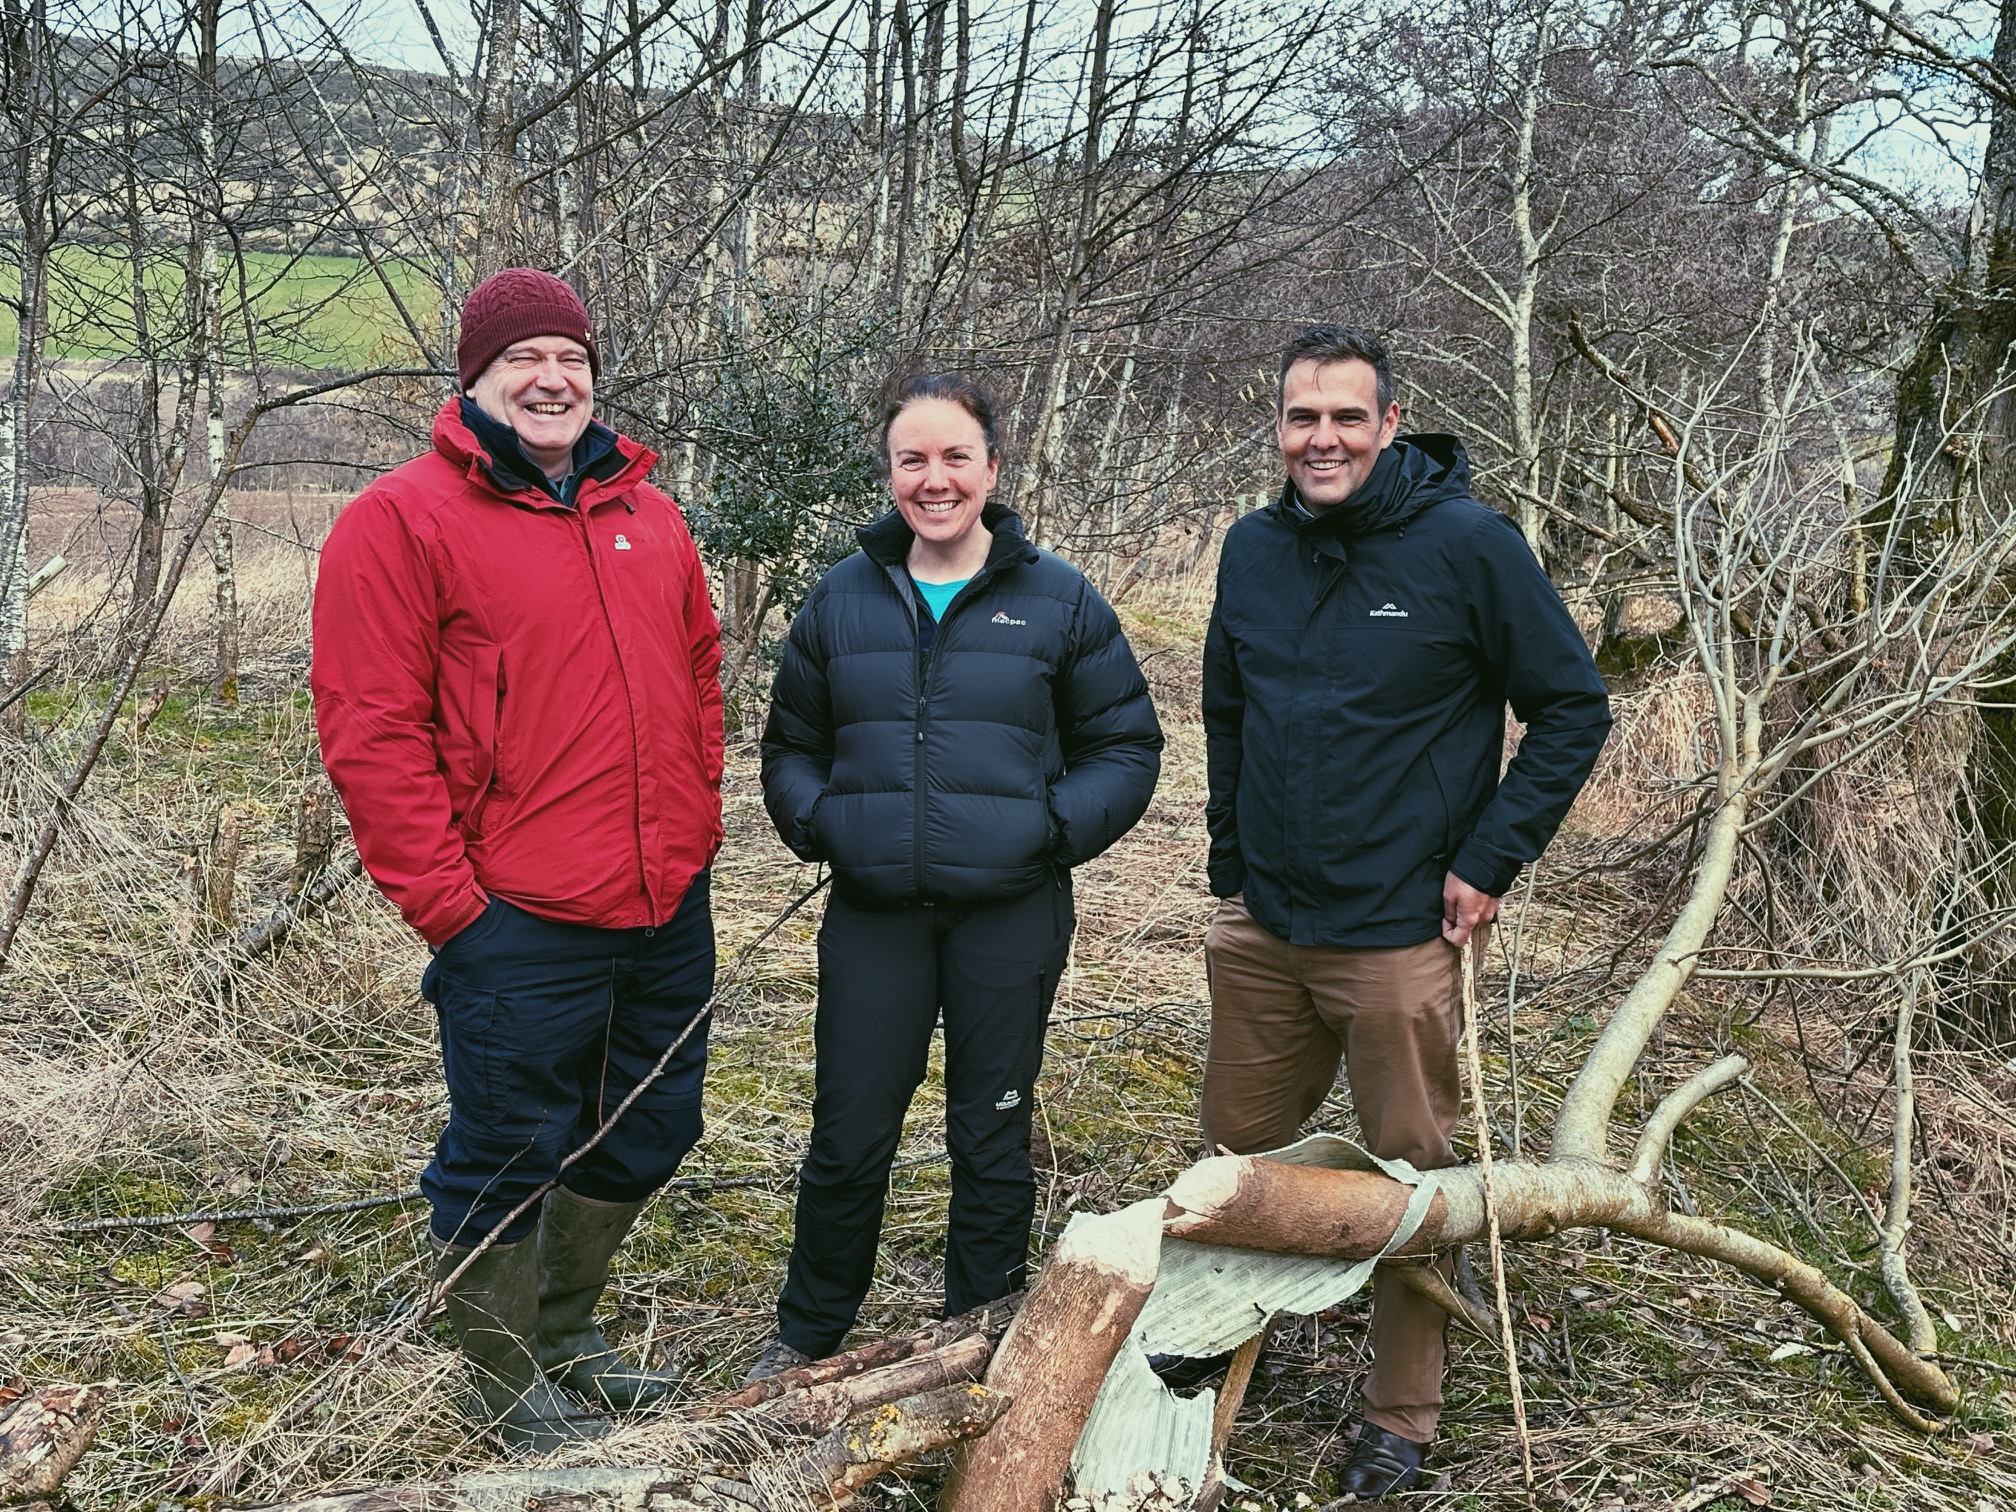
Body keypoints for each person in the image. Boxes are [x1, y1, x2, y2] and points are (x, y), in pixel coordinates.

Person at [311, 267, 723, 1451]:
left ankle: (564, 1333)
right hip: (515, 913)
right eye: (522, 362)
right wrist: (453, 910)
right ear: (476, 381)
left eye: (571, 361)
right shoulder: (400, 520)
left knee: (649, 1124)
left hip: (663, 895)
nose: (553, 381)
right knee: (507, 1144)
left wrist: (695, 823)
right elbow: (370, 731)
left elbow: (698, 672)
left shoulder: (647, 511)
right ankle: (497, 1380)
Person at [1199, 325, 1611, 1495]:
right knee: (1236, 1164)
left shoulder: (1468, 547)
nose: (1319, 438)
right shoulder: (1252, 549)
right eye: (1299, 417)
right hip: (1265, 927)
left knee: (1410, 1187)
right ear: (1276, 427)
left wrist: (1489, 859)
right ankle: (1222, 1351)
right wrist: (1232, 857)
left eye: (1344, 417)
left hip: (1398, 936)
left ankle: (1402, 1419)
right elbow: (1228, 709)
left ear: (1389, 425)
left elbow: (1572, 708)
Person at [748, 372, 1164, 1379]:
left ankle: (976, 1330)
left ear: (991, 465)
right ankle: (807, 1332)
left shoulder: (1057, 600)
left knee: (991, 1131)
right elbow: (790, 746)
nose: (934, 480)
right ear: (890, 472)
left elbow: (1126, 746)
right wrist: (823, 824)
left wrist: (1044, 832)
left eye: (954, 457)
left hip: (1010, 915)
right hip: (875, 917)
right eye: (912, 460)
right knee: (849, 1132)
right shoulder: (841, 599)